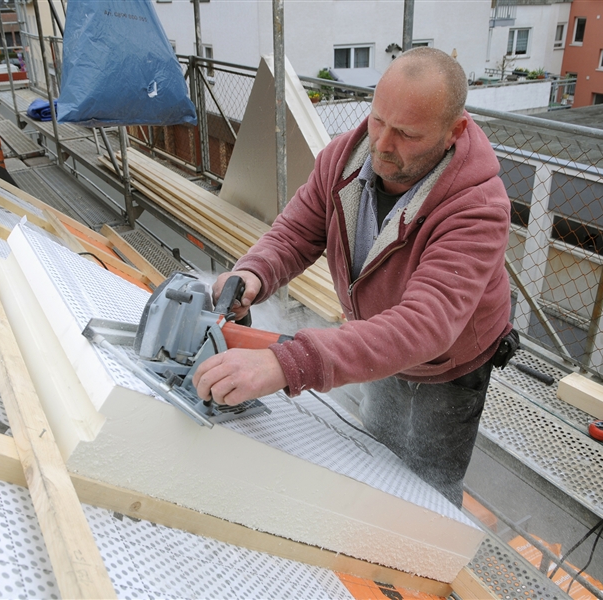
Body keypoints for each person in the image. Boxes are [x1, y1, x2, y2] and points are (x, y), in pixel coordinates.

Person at [192, 47, 517, 508]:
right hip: (376, 335)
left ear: (455, 131)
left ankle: (427, 561)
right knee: (379, 451)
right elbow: (296, 232)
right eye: (378, 120)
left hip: (449, 361)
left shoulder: (478, 208)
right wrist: (254, 273)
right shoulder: (343, 159)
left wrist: (287, 362)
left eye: (406, 134)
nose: (382, 144)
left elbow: (424, 327)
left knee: (428, 485)